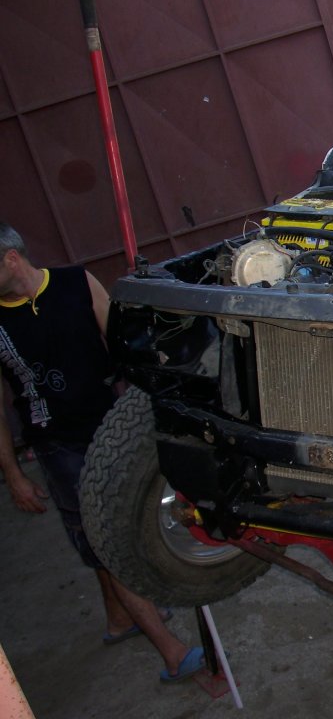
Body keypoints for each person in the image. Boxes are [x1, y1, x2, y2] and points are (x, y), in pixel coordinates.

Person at [0, 223, 203, 683]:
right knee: (103, 542)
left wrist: (158, 400)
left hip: (110, 427)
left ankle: (119, 619)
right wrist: (12, 473)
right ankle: (172, 653)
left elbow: (124, 343)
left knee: (109, 532)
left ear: (11, 259)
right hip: (57, 444)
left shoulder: (75, 282)